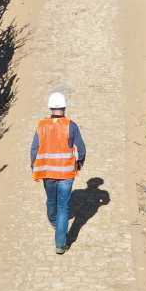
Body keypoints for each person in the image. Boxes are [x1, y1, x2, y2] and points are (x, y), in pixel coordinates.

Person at [31, 92, 86, 254]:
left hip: (47, 171)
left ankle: (54, 221)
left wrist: (33, 166)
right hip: (67, 173)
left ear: (50, 107)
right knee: (64, 207)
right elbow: (81, 148)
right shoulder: (71, 125)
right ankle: (61, 243)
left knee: (51, 200)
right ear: (65, 107)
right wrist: (80, 162)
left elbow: (34, 149)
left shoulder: (41, 125)